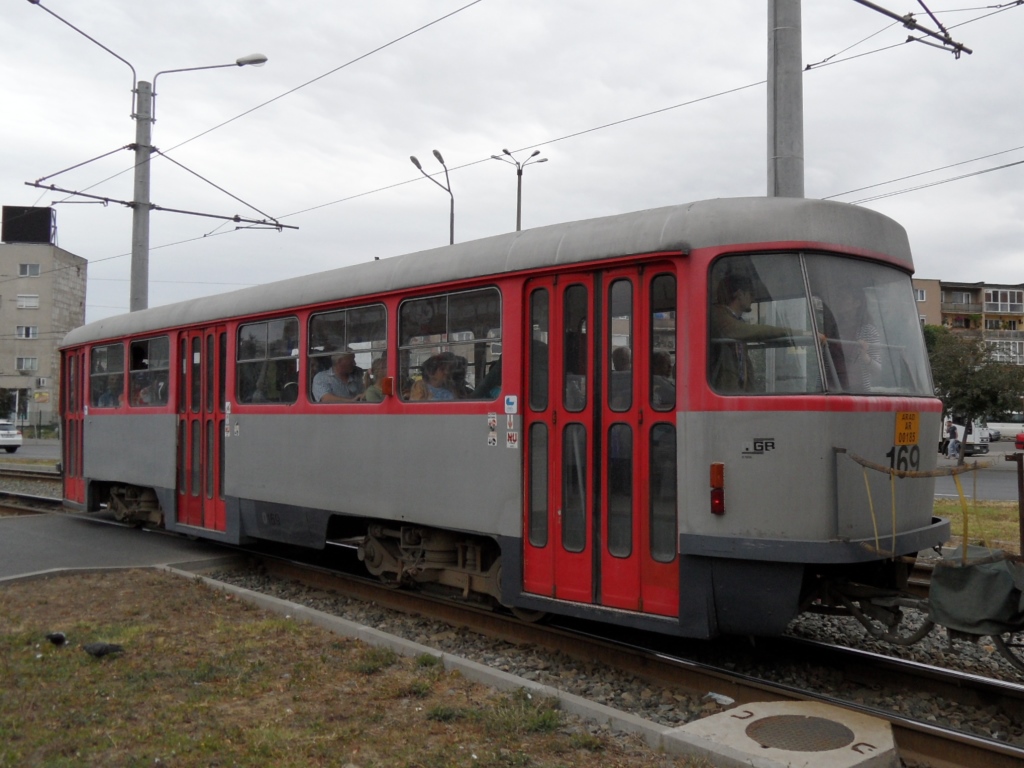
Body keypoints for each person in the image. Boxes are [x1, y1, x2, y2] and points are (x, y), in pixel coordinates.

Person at [709, 273, 804, 392]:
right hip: (720, 391)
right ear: (739, 294)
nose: (753, 300)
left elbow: (744, 363)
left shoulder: (738, 321)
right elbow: (749, 331)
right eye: (751, 294)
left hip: (735, 393)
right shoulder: (717, 315)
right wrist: (794, 333)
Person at [827, 290, 882, 392]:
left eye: (843, 298)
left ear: (857, 303)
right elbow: (826, 361)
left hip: (856, 390)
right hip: (831, 388)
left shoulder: (868, 331)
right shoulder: (834, 329)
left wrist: (865, 357)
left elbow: (877, 370)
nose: (838, 301)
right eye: (838, 298)